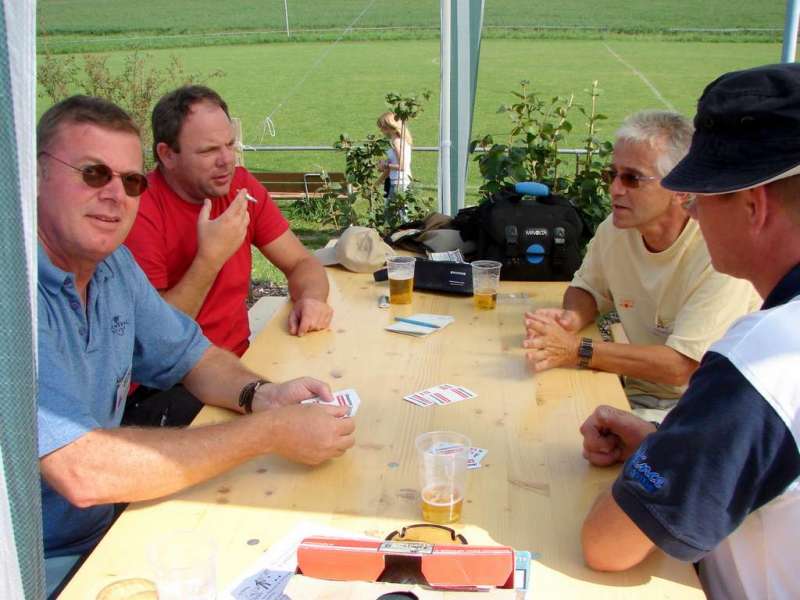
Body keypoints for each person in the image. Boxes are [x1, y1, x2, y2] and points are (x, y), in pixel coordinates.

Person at [36, 95, 355, 598]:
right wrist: (267, 432)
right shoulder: (17, 299)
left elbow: (192, 355)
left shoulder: (111, 267)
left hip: (109, 527)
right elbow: (82, 471)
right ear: (33, 177)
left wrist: (263, 395)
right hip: (39, 562)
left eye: (129, 181)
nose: (116, 196)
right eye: (93, 174)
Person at [579, 63, 800, 599]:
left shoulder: (764, 358)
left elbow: (607, 546)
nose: (694, 214)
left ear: (753, 206)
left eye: (702, 196)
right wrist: (664, 446)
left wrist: (647, 477)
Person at [523, 110, 759, 420]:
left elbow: (681, 367)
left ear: (682, 189)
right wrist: (573, 316)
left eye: (632, 178)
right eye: (612, 175)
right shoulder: (616, 229)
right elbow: (587, 288)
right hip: (638, 395)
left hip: (706, 412)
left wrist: (575, 349)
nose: (615, 189)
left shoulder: (719, 252)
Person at [123, 85, 334, 425]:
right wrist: (209, 258)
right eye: (208, 151)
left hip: (235, 369)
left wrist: (312, 298)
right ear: (167, 154)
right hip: (167, 387)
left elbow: (301, 262)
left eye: (230, 145)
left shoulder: (240, 187)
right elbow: (157, 342)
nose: (226, 160)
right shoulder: (141, 211)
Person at [377, 111, 412, 198]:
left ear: (390, 126)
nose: (381, 130)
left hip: (399, 183)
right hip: (398, 182)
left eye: (383, 127)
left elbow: (402, 166)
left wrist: (385, 165)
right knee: (392, 211)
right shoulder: (397, 141)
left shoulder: (397, 142)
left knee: (392, 211)